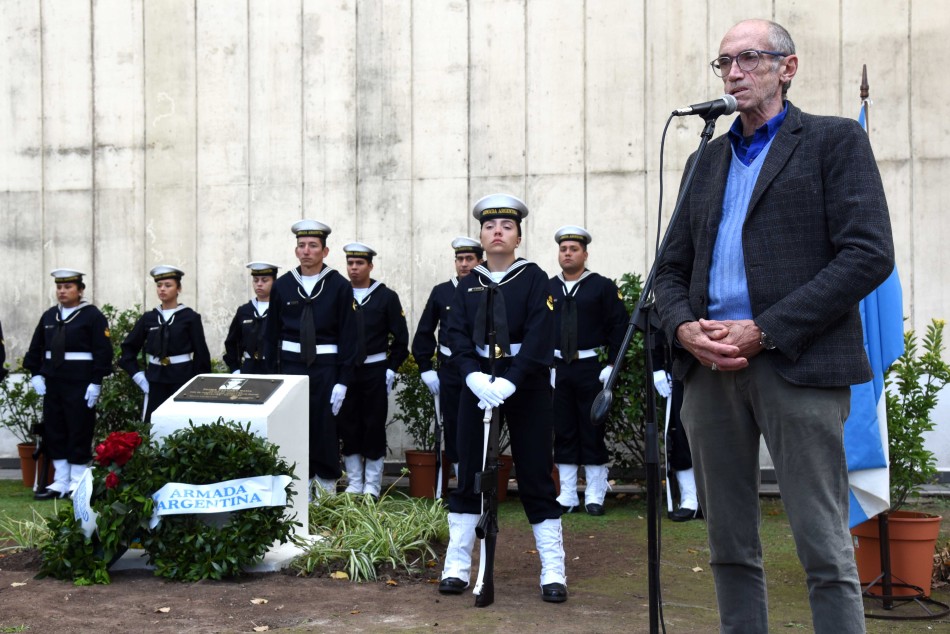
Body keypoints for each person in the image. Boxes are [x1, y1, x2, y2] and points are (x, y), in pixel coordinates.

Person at [654, 19, 894, 632]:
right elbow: (670, 269)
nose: (734, 72)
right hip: (709, 368)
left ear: (787, 68)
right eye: (725, 62)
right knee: (728, 544)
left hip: (800, 364)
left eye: (749, 59)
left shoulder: (833, 142)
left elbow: (867, 254)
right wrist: (683, 330)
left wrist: (765, 328)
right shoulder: (703, 161)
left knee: (823, 545)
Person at [440, 193, 567, 603]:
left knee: (533, 474)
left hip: (524, 386)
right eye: (491, 226)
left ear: (518, 236)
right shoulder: (467, 284)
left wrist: (511, 380)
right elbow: (455, 336)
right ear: (481, 234)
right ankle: (457, 566)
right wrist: (473, 376)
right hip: (476, 388)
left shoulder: (535, 279)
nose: (498, 232)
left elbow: (538, 336)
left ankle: (553, 570)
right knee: (469, 475)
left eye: (506, 227)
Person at [262, 220, 356, 498]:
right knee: (292, 427)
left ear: (325, 252)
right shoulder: (283, 286)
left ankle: (326, 491)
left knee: (324, 428)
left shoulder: (339, 285)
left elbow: (349, 337)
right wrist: (271, 377)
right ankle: (296, 489)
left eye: (313, 246)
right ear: (295, 250)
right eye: (301, 246)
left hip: (326, 369)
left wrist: (343, 380)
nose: (306, 251)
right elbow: (271, 335)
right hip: (290, 369)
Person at [549, 225, 627, 516]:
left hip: (591, 368)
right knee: (564, 429)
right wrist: (547, 365)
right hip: (559, 368)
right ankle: (567, 494)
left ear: (585, 253)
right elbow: (539, 329)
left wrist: (611, 366)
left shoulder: (601, 286)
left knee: (593, 428)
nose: (567, 253)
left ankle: (594, 493)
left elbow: (620, 326)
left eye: (573, 249)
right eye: (563, 249)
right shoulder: (549, 287)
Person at [24, 269, 113, 498]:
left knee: (79, 428)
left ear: (80, 290)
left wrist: (96, 382)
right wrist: (36, 373)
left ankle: (77, 481)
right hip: (54, 382)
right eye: (59, 287)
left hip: (80, 382)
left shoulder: (91, 316)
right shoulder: (49, 316)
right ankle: (60, 481)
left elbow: (103, 351)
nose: (62, 292)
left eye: (68, 287)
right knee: (55, 429)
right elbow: (36, 348)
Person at [336, 242, 409, 498]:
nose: (354, 268)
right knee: (348, 425)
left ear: (370, 266)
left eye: (359, 263)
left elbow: (401, 338)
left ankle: (372, 486)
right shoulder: (339, 295)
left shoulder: (385, 297)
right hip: (345, 372)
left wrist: (391, 367)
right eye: (350, 263)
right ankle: (355, 483)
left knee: (373, 425)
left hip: (374, 371)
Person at [411, 236, 484, 479]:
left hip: (479, 365)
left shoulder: (486, 288)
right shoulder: (442, 291)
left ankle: (480, 476)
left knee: (480, 422)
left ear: (480, 260)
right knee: (453, 422)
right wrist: (425, 366)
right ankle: (460, 475)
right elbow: (425, 330)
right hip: (450, 368)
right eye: (459, 259)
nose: (464, 264)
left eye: (469, 259)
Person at [119, 266, 212, 423]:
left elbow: (201, 353)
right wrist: (137, 375)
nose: (162, 289)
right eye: (159, 285)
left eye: (168, 285)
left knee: (181, 423)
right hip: (155, 379)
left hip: (182, 378)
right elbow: (128, 348)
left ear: (178, 288)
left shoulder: (190, 317)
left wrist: (198, 383)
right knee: (154, 424)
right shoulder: (149, 318)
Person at [223, 261, 279, 374]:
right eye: (255, 280)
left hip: (274, 368)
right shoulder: (245, 310)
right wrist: (235, 368)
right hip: (249, 367)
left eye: (264, 280)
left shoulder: (279, 309)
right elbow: (231, 342)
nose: (259, 284)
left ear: (274, 282)